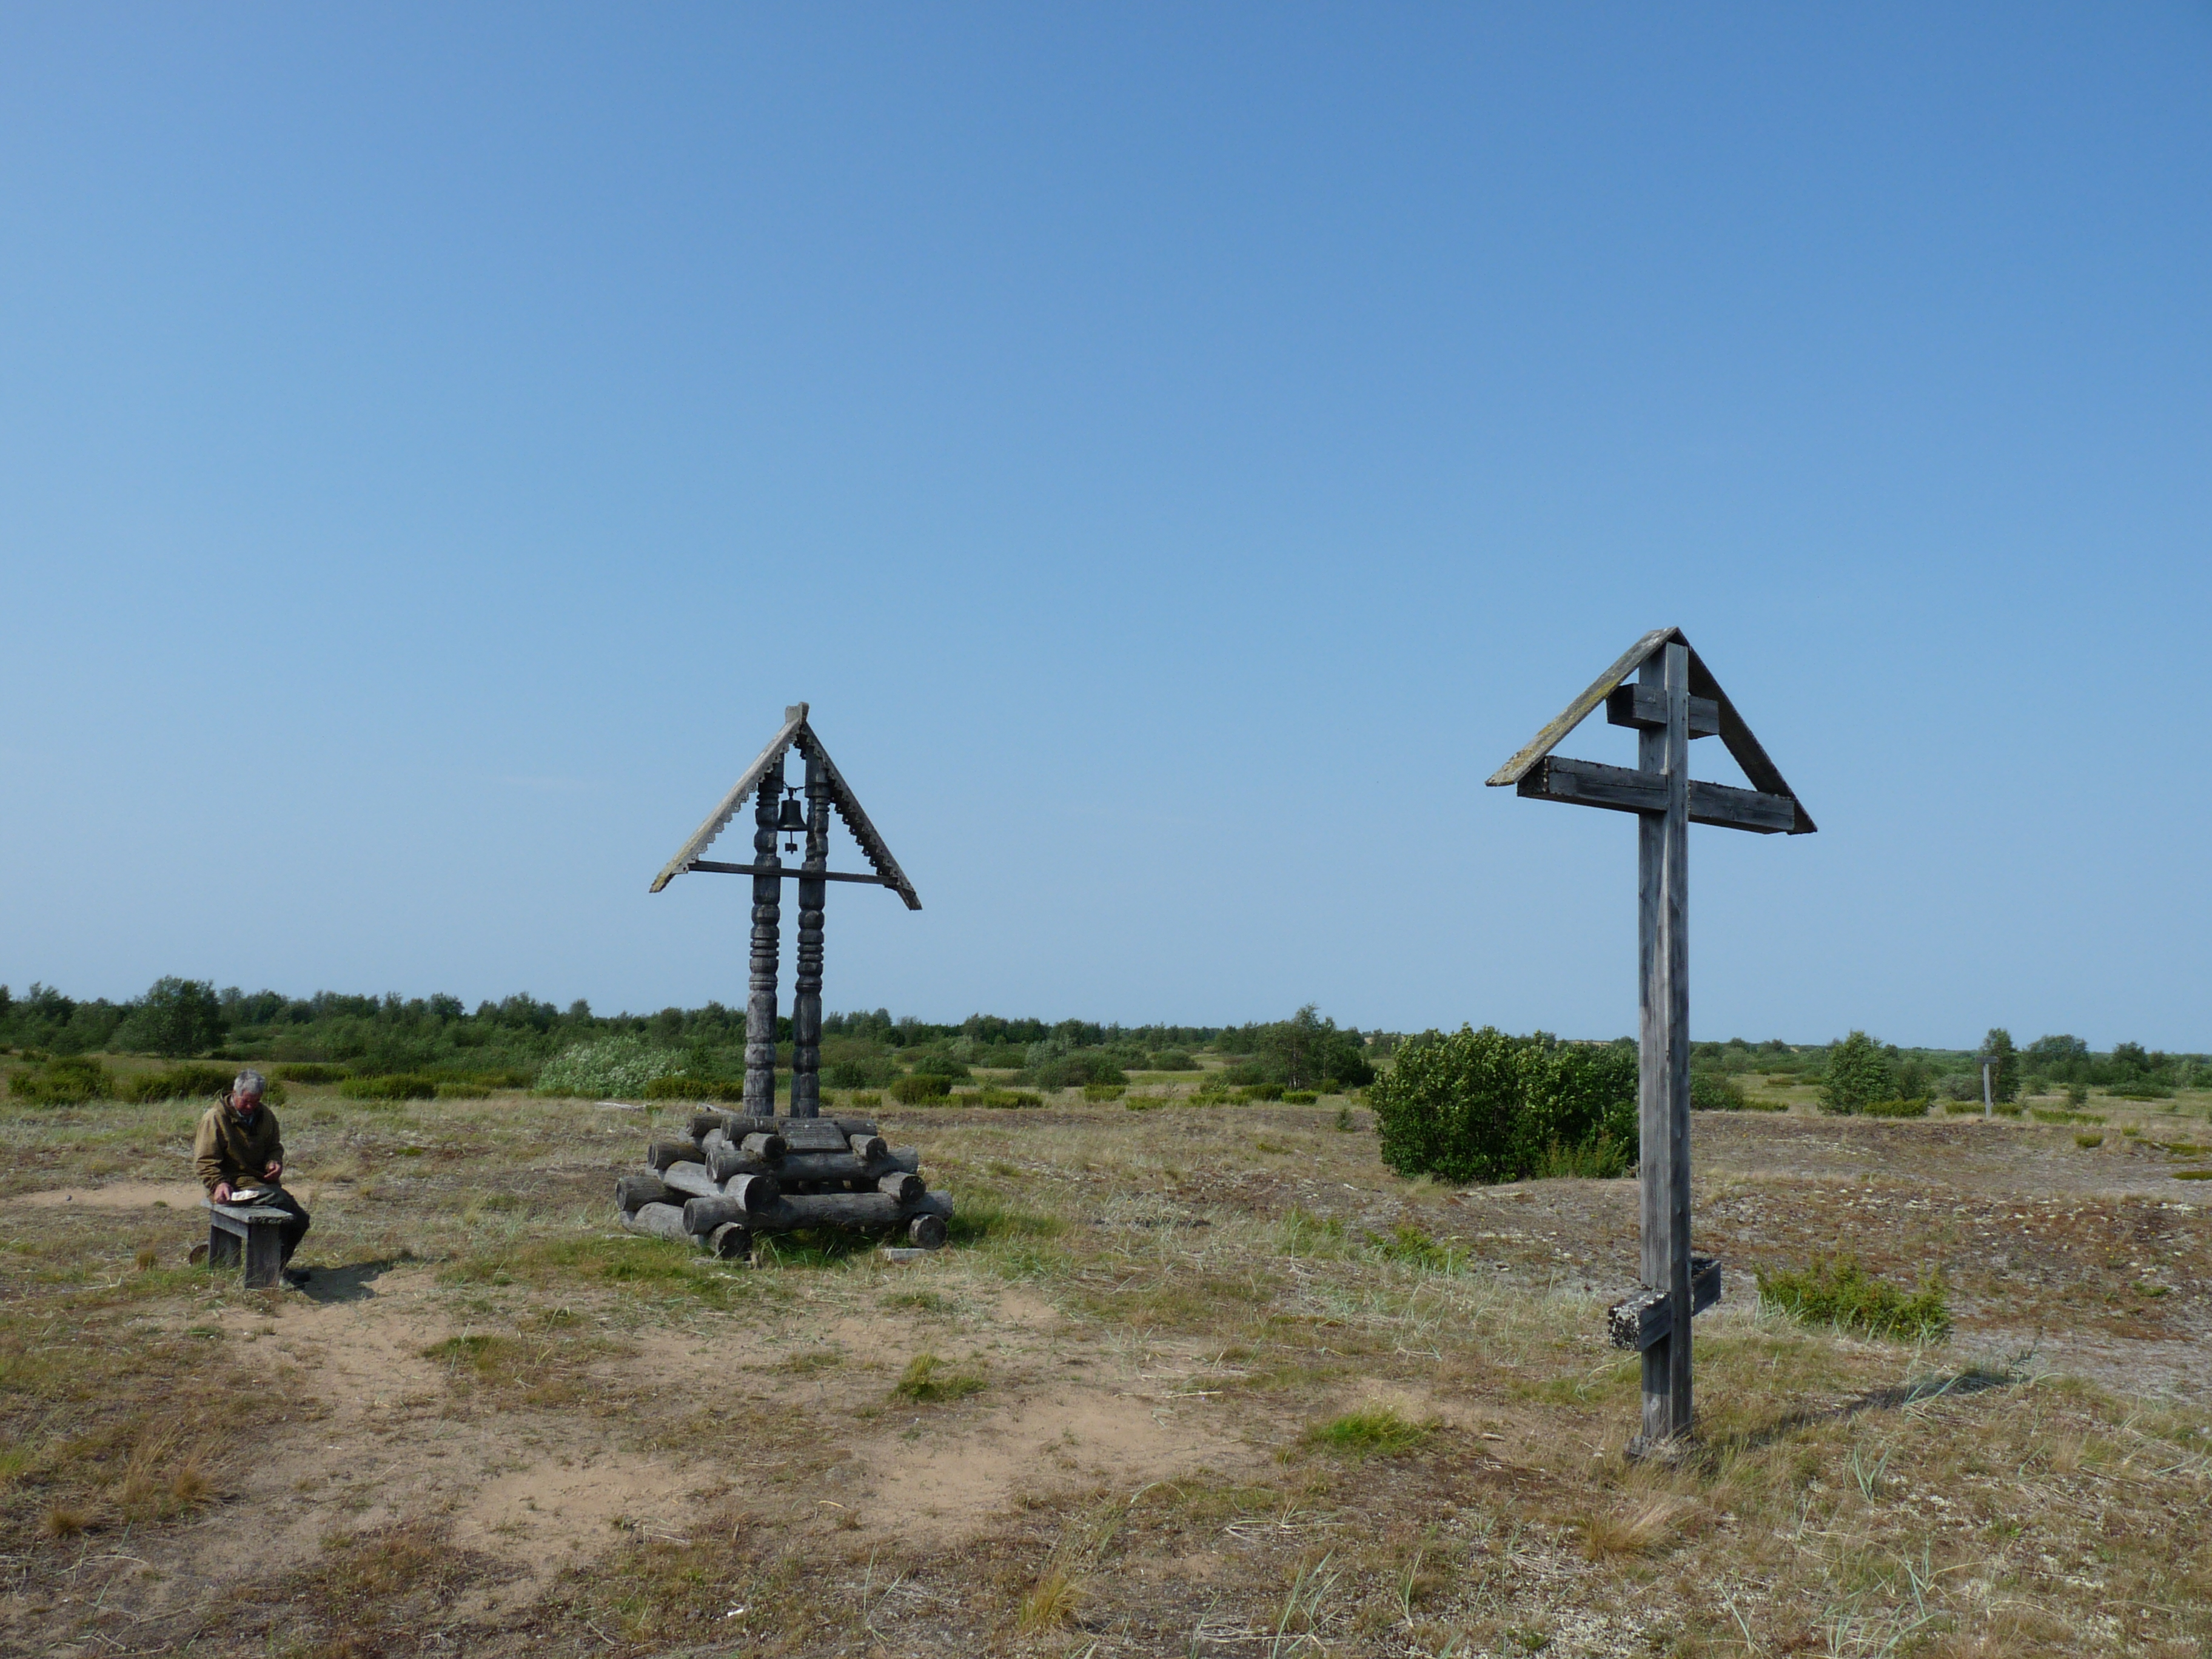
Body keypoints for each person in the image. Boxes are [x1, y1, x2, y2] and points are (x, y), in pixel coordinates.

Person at [194, 1068, 312, 1285]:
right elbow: (205, 1160)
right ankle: (271, 1273)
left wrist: (274, 1163)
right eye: (246, 1102)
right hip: (231, 1187)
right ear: (235, 1093)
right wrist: (218, 1183)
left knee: (300, 1220)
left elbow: (275, 1147)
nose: (250, 1107)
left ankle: (275, 1269)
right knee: (286, 1207)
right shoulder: (215, 1118)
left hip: (260, 1184)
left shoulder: (266, 1116)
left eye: (255, 1102)